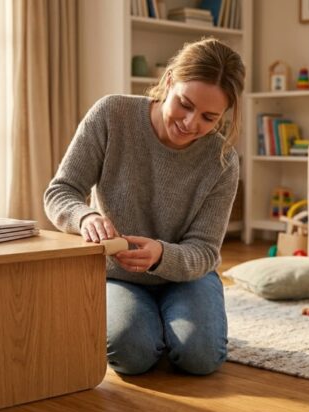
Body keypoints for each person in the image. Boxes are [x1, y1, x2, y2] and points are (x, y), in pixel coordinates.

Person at [43, 38, 245, 376]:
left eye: (209, 117)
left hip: (186, 276)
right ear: (168, 81)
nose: (191, 123)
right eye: (184, 104)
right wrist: (85, 216)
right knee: (131, 355)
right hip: (117, 276)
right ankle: (153, 323)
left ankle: (171, 323)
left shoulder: (222, 161)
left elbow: (205, 251)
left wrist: (161, 255)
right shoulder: (112, 114)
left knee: (201, 357)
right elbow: (60, 191)